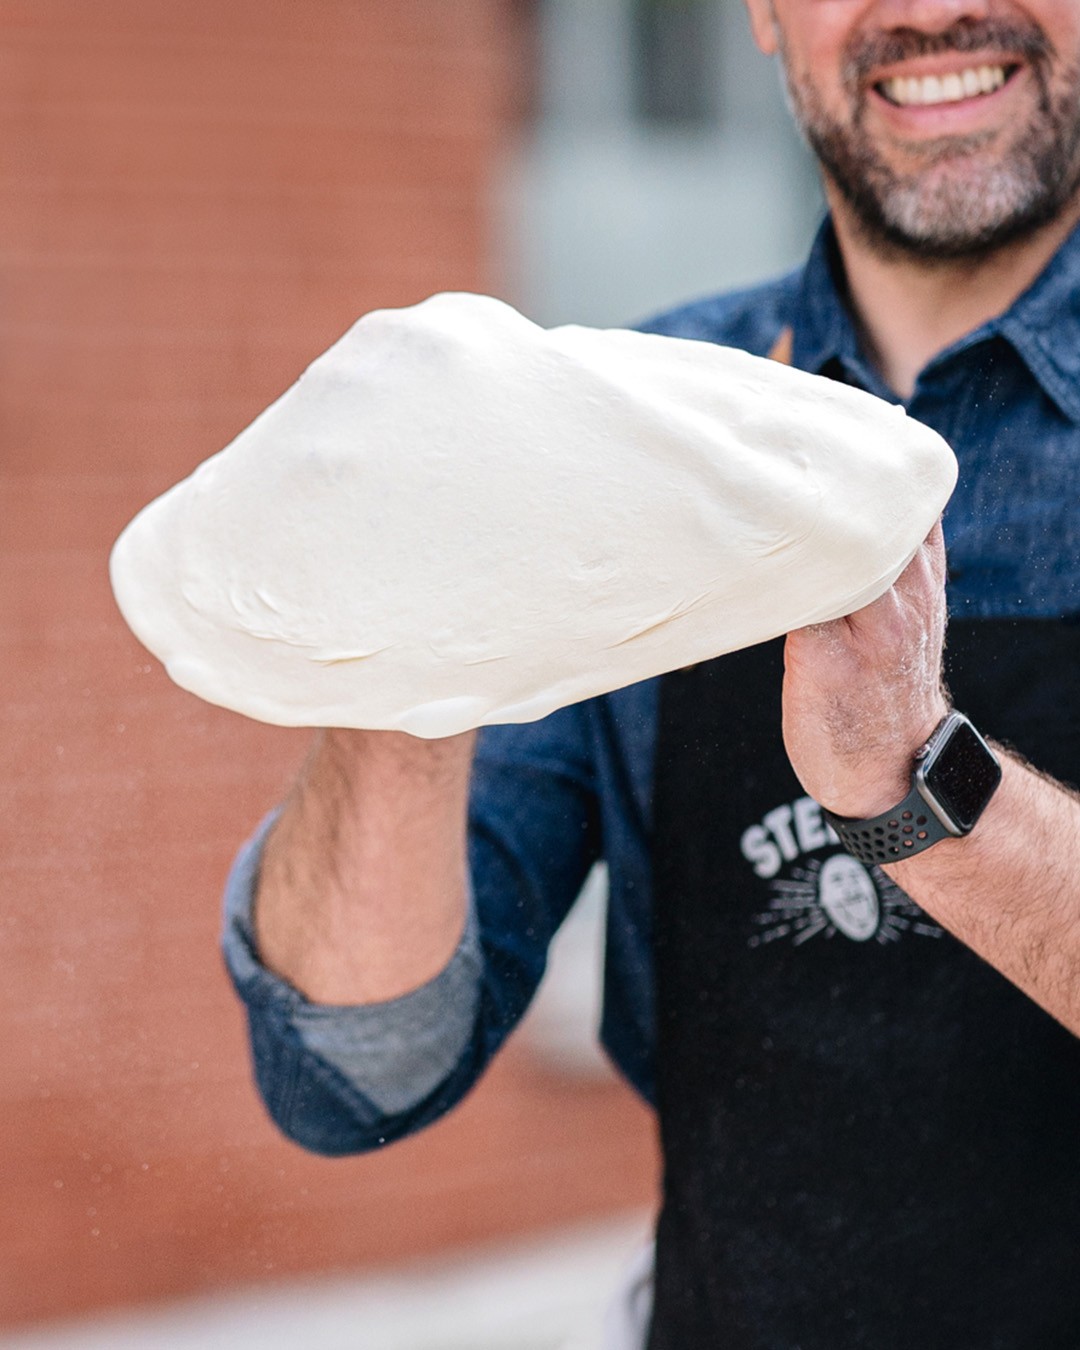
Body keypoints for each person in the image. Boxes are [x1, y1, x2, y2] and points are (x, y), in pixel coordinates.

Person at [222, 0, 1080, 1344]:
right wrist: (402, 677)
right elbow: (354, 1070)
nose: (927, 11)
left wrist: (917, 781)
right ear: (764, 12)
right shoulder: (627, 429)